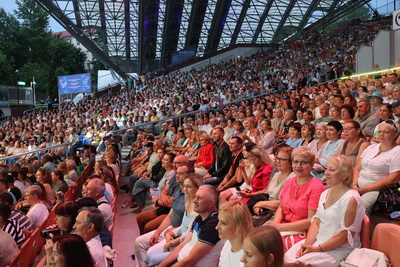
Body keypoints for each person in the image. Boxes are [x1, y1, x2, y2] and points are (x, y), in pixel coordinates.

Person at [285, 155, 365, 267]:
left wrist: (316, 249)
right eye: (326, 168)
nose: (326, 173)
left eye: (332, 170)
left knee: (298, 264)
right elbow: (316, 221)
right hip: (318, 244)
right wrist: (307, 245)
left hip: (339, 250)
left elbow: (345, 237)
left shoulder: (351, 199)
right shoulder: (325, 193)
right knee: (287, 259)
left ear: (345, 176)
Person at [266, 147, 325, 252]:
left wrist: (279, 228)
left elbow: (311, 221)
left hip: (301, 232)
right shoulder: (289, 181)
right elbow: (281, 207)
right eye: (295, 162)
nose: (298, 166)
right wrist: (275, 225)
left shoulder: (316, 186)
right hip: (282, 227)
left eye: (304, 162)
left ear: (312, 165)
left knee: (268, 246)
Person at [144, 173, 204, 266]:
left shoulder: (197, 209)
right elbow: (182, 226)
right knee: (149, 256)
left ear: (198, 189)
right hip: (178, 238)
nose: (185, 189)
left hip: (184, 244)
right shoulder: (188, 202)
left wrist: (172, 242)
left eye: (189, 187)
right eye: (185, 186)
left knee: (152, 257)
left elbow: (189, 234)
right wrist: (172, 233)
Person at [158, 185, 225, 267]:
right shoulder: (199, 218)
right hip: (180, 260)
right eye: (195, 197)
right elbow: (181, 246)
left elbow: (191, 260)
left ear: (211, 203)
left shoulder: (213, 225)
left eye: (199, 198)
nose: (194, 200)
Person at [353, 121, 400, 215]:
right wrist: (354, 184)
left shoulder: (397, 151)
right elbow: (357, 168)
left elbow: (393, 179)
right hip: (357, 186)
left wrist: (366, 189)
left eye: (386, 132)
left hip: (377, 189)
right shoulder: (371, 147)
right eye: (379, 131)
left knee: (360, 208)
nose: (381, 134)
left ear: (395, 135)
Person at [253, 146, 295, 216]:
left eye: (282, 159)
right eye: (277, 158)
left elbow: (283, 203)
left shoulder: (292, 177)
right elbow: (266, 194)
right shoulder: (276, 174)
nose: (278, 161)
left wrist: (260, 203)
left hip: (279, 214)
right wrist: (259, 206)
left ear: (290, 162)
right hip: (266, 210)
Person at [217, 200, 253, 267]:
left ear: (239, 226)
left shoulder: (251, 254)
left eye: (223, 223)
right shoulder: (227, 244)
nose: (217, 227)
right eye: (219, 221)